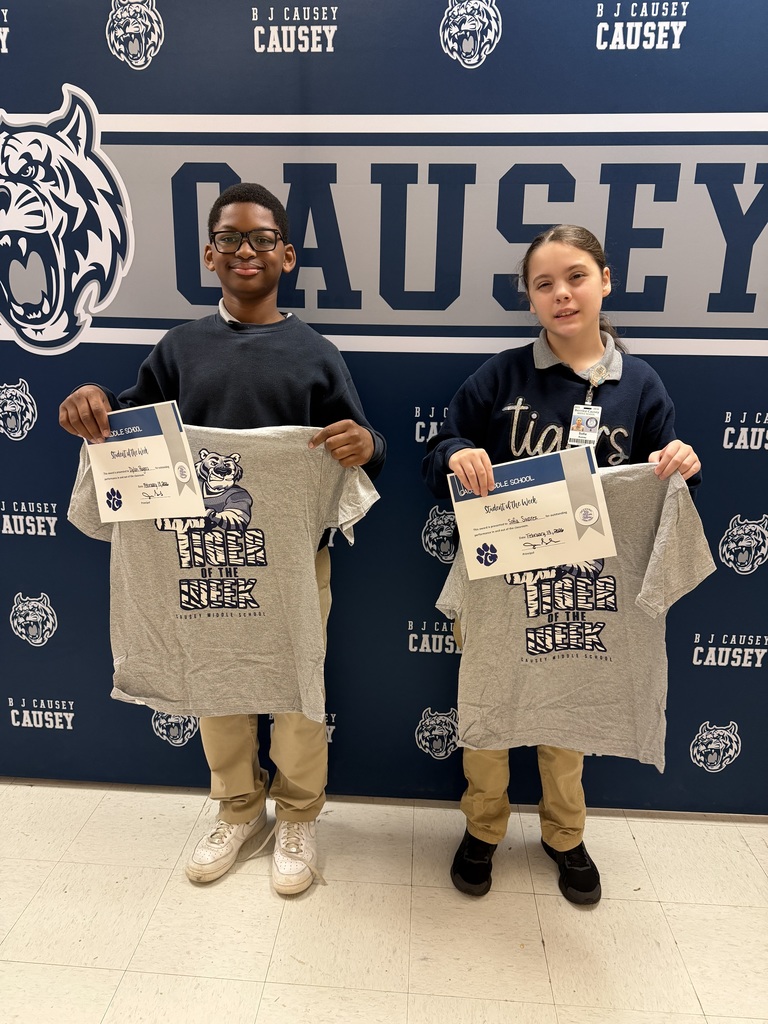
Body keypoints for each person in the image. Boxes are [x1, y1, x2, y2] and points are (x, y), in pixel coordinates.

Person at [59, 182, 386, 896]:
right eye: (231, 238)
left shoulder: (316, 352)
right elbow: (126, 425)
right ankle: (239, 806)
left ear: (287, 255)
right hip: (199, 557)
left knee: (299, 690)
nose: (246, 249)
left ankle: (298, 813)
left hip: (298, 561)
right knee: (217, 683)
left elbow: (362, 445)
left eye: (262, 238)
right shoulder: (179, 349)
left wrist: (367, 442)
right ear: (209, 254)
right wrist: (94, 405)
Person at [422, 224, 700, 904]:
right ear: (530, 298)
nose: (562, 294)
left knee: (567, 715)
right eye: (543, 284)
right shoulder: (504, 374)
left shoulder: (640, 384)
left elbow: (669, 488)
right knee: (488, 712)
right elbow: (441, 449)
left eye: (575, 276)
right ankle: (483, 827)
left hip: (585, 589)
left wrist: (684, 465)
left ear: (605, 281)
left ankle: (565, 835)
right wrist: (456, 454)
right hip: (498, 583)